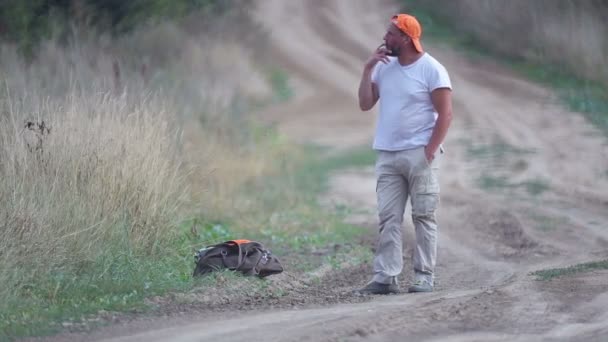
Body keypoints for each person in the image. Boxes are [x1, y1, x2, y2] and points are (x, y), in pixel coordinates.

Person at [356, 13, 453, 294]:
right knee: (388, 218)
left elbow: (445, 114)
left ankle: (424, 276)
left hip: (419, 153)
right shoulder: (383, 67)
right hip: (387, 154)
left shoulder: (432, 69)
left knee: (423, 216)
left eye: (390, 34)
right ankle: (386, 277)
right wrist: (367, 69)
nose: (384, 38)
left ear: (406, 39)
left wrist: (430, 151)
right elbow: (365, 104)